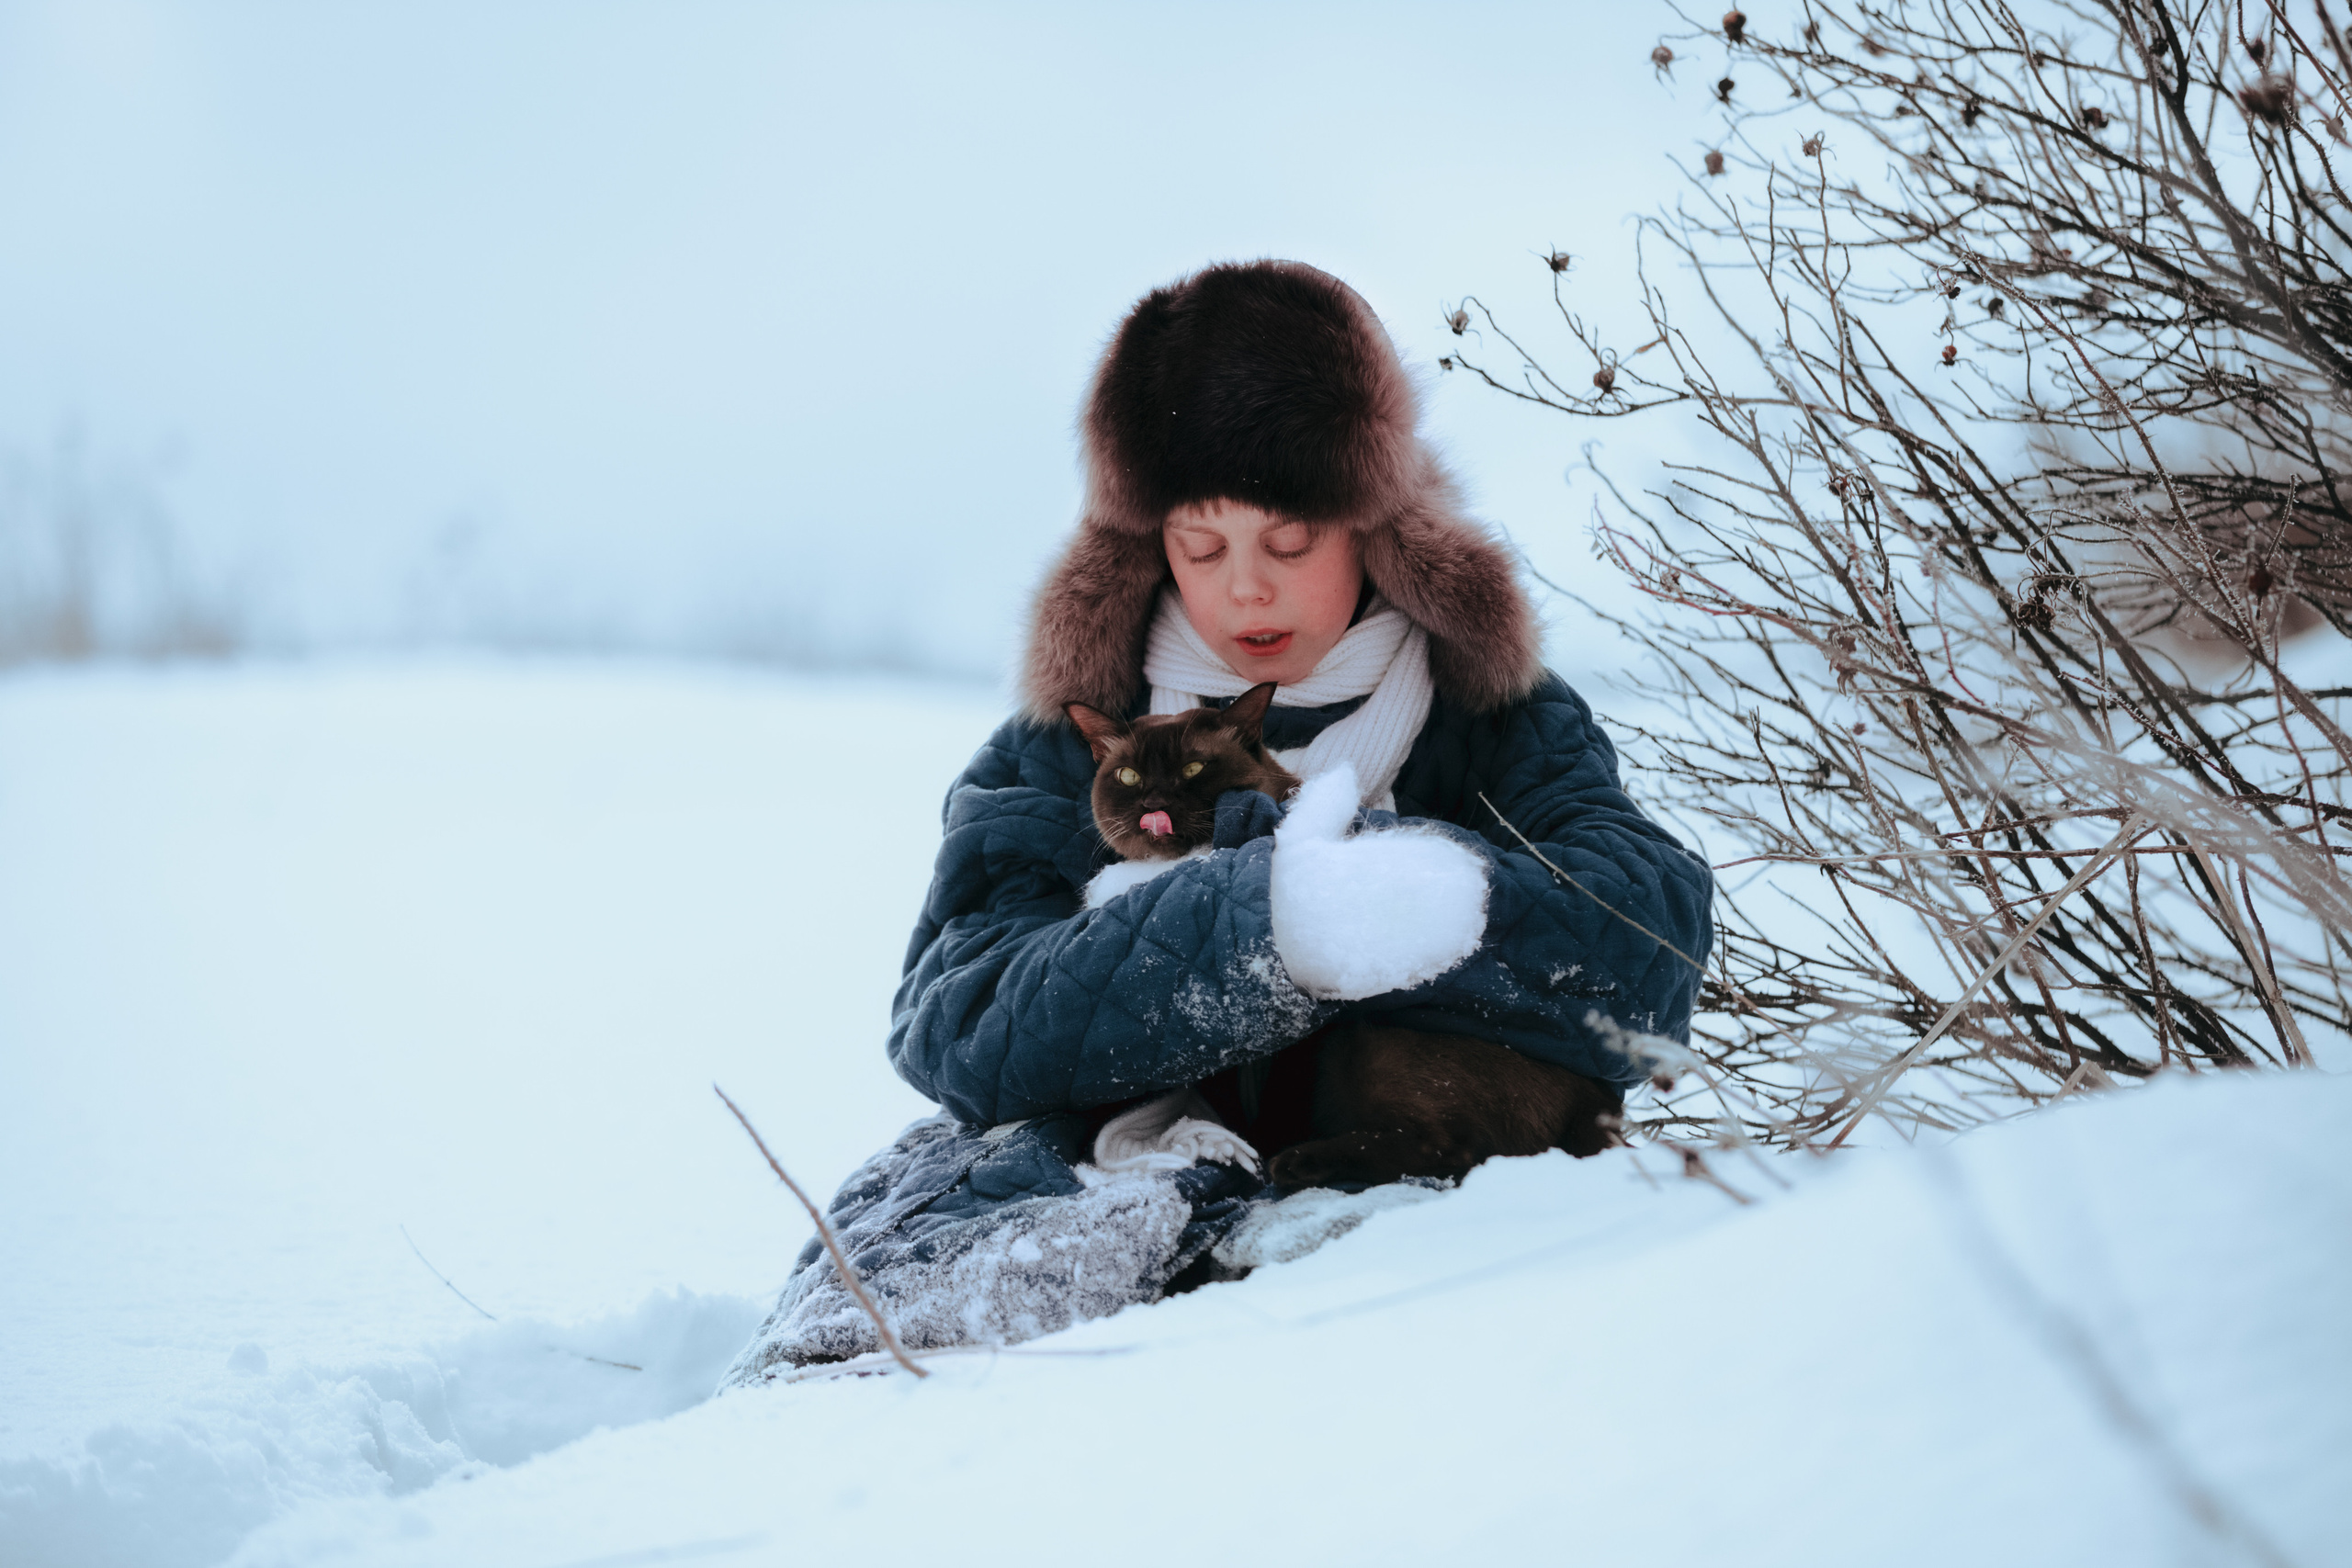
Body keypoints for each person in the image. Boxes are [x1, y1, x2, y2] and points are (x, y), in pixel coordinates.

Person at [721, 260, 1713, 1383]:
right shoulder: (1063, 745)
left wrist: (1422, 897)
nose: (1246, 589)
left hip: (1436, 1213)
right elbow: (962, 1017)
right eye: (1201, 546)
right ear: (1148, 545)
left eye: (1288, 542)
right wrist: (1261, 922)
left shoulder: (1492, 716)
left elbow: (1649, 941)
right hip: (1118, 1175)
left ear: (1376, 530)